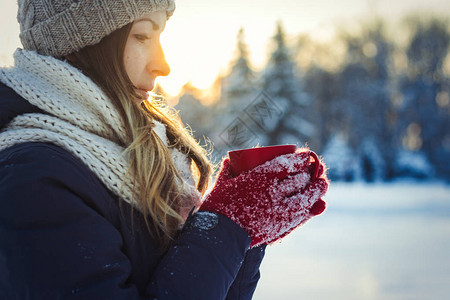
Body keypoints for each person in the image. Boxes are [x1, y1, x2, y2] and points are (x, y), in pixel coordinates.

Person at [0, 0, 329, 299]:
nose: (163, 65)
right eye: (142, 36)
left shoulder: (138, 156)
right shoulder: (34, 179)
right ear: (78, 43)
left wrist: (242, 235)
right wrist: (227, 225)